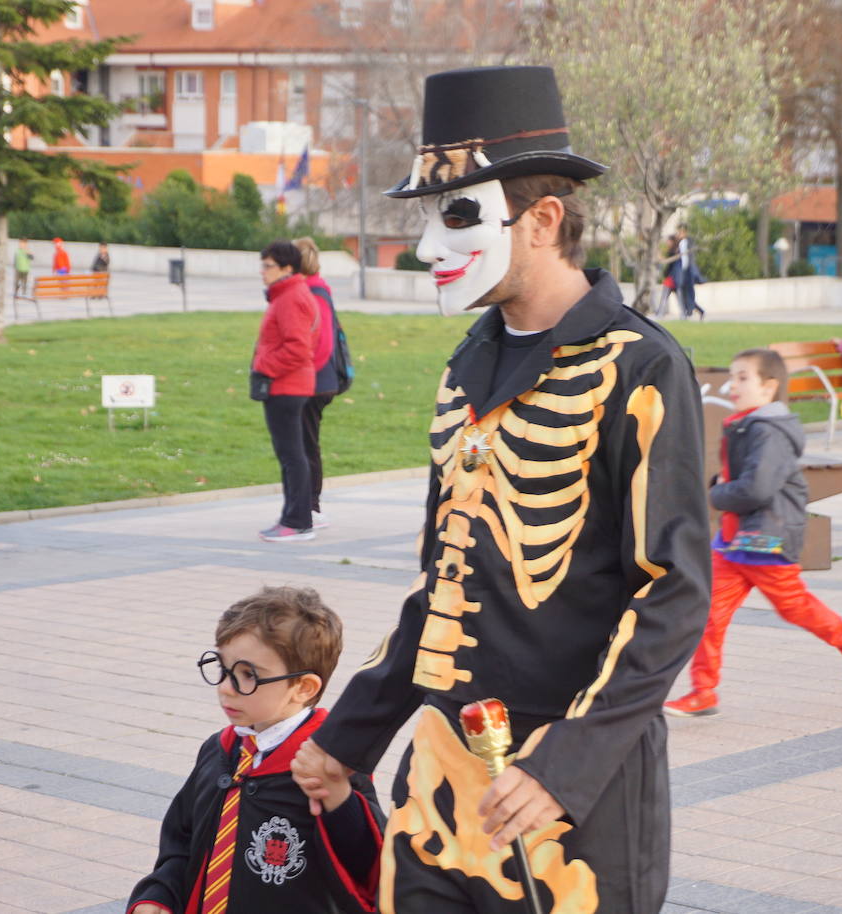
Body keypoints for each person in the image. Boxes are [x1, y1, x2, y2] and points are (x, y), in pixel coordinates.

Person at [291, 65, 710, 914]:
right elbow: (442, 583)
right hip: (439, 787)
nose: (427, 247)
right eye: (428, 217)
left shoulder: (641, 366)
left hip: (569, 797)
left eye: (457, 215)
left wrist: (567, 764)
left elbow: (673, 594)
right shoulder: (465, 368)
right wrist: (349, 737)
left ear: (544, 219)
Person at [127, 586, 385, 914]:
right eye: (222, 668)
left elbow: (368, 863)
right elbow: (182, 841)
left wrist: (339, 798)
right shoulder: (219, 751)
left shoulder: (330, 765)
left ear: (303, 687)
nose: (225, 688)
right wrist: (158, 895)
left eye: (248, 675)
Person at [664, 349, 842, 718]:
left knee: (794, 607)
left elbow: (756, 489)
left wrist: (715, 493)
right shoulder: (748, 423)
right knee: (708, 611)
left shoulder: (768, 431)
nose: (732, 385)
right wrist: (721, 484)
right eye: (733, 376)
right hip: (735, 539)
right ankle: (704, 691)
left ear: (769, 387)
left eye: (743, 377)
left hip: (766, 537)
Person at [253, 240, 319, 542]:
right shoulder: (286, 295)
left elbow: (297, 348)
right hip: (286, 385)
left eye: (268, 266)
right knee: (290, 455)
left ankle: (297, 521)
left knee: (292, 455)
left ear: (287, 268)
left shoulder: (291, 297)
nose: (262, 272)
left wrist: (264, 366)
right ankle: (293, 517)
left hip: (287, 386)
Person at [293, 236, 343, 529]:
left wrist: (302, 378)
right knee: (303, 443)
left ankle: (311, 507)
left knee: (305, 445)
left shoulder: (314, 292)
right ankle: (306, 505)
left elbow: (322, 345)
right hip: (314, 381)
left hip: (313, 383)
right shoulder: (313, 290)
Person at [674, 224, 705, 320]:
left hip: (688, 270)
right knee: (684, 292)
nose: (678, 234)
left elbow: (688, 258)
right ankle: (696, 310)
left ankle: (690, 311)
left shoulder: (688, 241)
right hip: (683, 271)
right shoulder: (680, 243)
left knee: (689, 292)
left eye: (680, 232)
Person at [655, 234, 678, 318]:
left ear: (672, 241)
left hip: (670, 278)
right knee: (675, 297)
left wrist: (660, 256)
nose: (667, 243)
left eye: (668, 241)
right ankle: (660, 312)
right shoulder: (673, 251)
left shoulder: (673, 252)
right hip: (671, 278)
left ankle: (660, 313)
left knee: (664, 296)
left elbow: (666, 262)